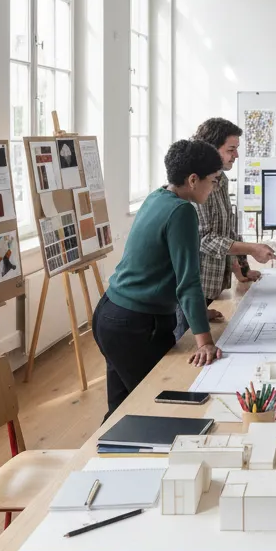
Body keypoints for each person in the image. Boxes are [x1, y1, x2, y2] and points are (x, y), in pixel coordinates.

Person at [92, 139, 223, 417]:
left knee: (121, 410)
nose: (214, 188)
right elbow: (187, 282)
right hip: (135, 325)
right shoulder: (183, 211)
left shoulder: (158, 196)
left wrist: (199, 314)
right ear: (192, 179)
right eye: (213, 181)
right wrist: (205, 342)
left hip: (110, 314)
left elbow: (162, 269)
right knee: (157, 407)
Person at [173, 117, 276, 339]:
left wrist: (243, 271)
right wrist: (251, 248)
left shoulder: (222, 179)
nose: (236, 156)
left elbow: (227, 231)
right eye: (231, 149)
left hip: (208, 290)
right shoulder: (197, 184)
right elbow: (206, 239)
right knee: (187, 350)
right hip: (191, 291)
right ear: (211, 148)